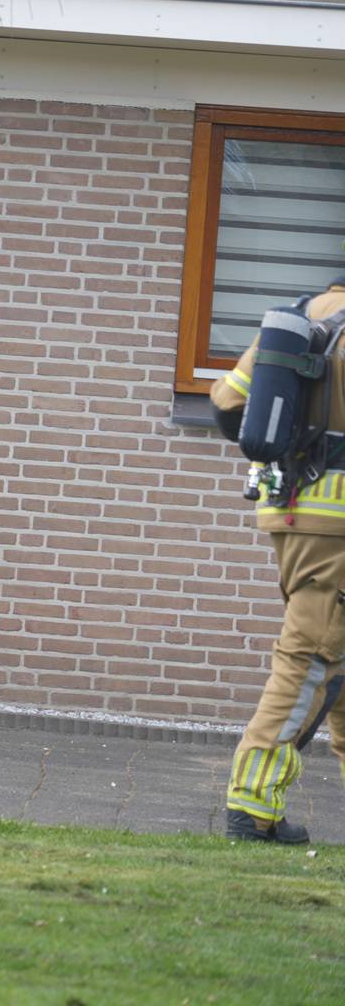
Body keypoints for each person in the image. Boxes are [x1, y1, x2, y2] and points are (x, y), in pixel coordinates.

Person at [211, 280, 345, 844]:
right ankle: (252, 804)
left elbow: (226, 403)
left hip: (292, 509)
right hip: (338, 525)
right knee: (312, 655)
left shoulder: (302, 315)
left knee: (333, 655)